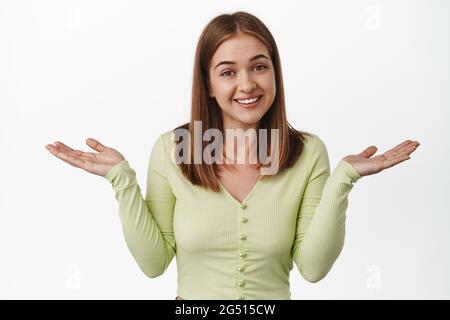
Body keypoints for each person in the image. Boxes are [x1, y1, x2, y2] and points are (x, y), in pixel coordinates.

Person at [45, 11, 420, 300]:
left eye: (259, 66)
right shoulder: (172, 149)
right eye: (228, 72)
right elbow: (153, 263)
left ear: (275, 73)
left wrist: (344, 179)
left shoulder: (307, 153)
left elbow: (313, 268)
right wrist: (120, 179)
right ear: (208, 83)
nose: (247, 84)